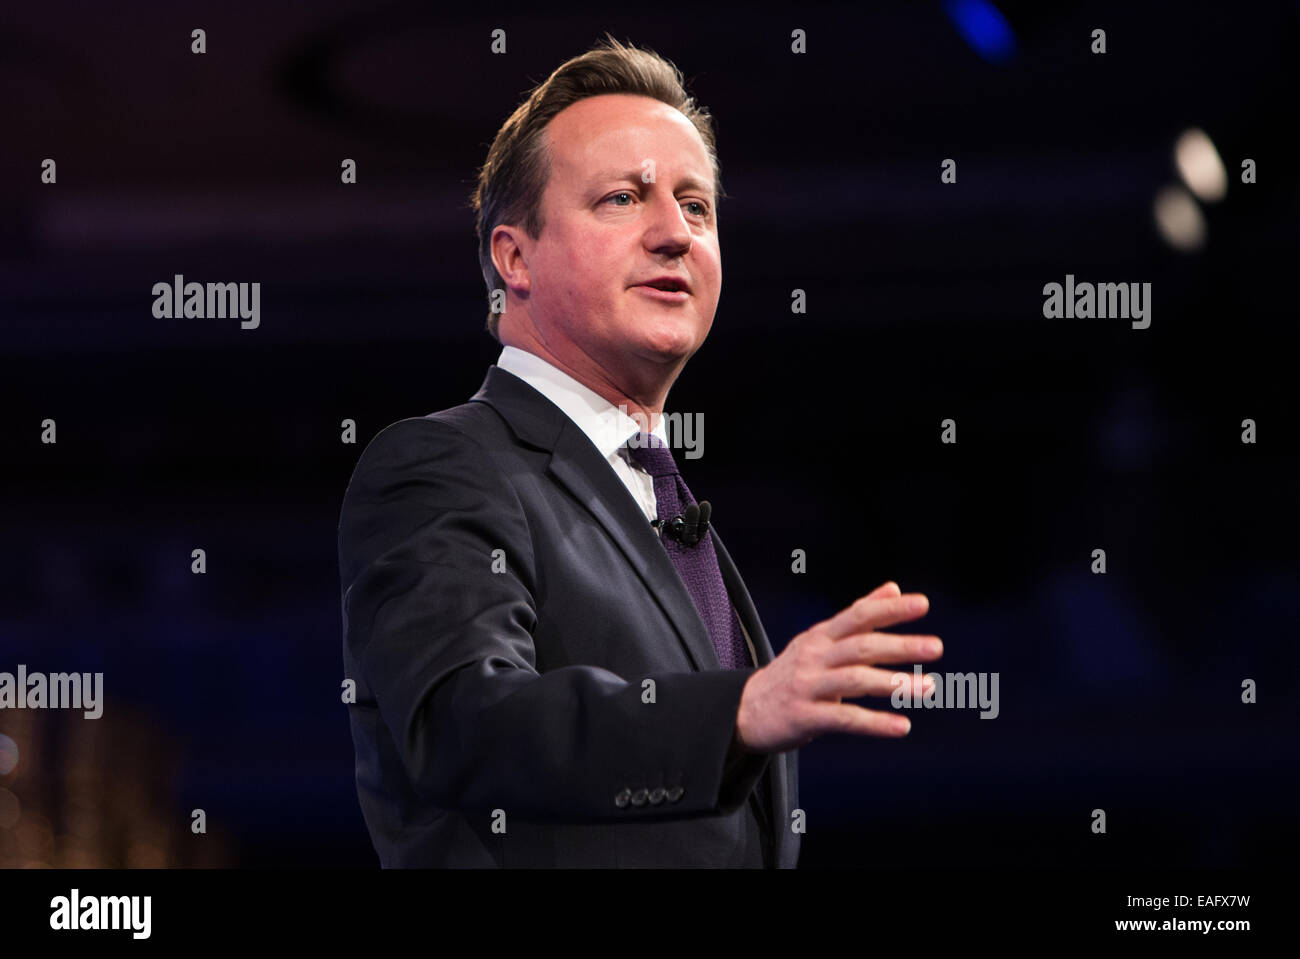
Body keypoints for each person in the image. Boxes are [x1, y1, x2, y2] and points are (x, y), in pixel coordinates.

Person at [337, 36, 943, 868]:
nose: (674, 233)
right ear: (514, 257)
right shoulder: (442, 466)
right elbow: (462, 723)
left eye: (697, 206)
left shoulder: (660, 499)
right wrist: (733, 712)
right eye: (624, 198)